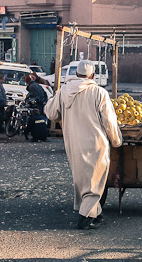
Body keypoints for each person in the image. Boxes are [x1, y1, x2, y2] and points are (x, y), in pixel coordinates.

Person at [44, 61, 123, 230]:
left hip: (73, 143)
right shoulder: (99, 92)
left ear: (77, 74)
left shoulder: (65, 91)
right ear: (93, 76)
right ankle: (85, 217)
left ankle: (95, 213)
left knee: (82, 179)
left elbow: (50, 113)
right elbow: (109, 121)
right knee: (94, 181)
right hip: (96, 143)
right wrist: (116, 140)